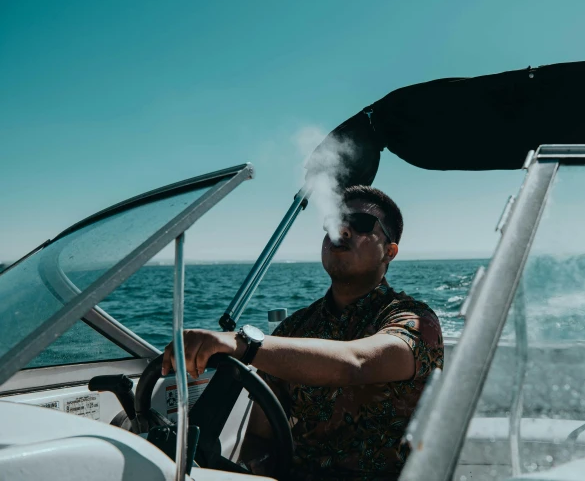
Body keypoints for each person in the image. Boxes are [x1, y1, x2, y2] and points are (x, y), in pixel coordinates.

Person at [161, 185, 444, 480]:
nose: (343, 229)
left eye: (360, 224)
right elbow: (261, 436)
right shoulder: (294, 329)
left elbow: (355, 363)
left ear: (390, 251)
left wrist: (244, 344)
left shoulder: (416, 322)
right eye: (335, 220)